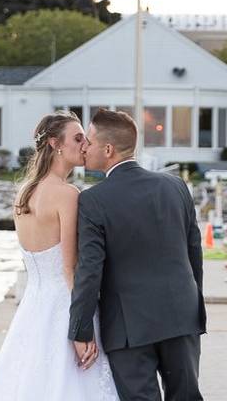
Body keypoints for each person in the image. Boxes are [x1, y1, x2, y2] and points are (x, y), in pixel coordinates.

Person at [0, 111, 118, 401]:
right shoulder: (67, 194)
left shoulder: (23, 194)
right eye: (78, 138)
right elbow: (70, 267)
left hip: (33, 308)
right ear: (55, 143)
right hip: (65, 306)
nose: (85, 144)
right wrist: (82, 331)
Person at [70, 109, 206, 400]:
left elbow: (90, 269)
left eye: (89, 142)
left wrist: (80, 329)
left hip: (129, 327)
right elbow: (195, 252)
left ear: (108, 150)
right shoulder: (176, 186)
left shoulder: (93, 200)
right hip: (182, 315)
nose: (85, 148)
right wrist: (192, 301)